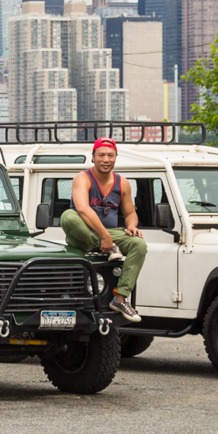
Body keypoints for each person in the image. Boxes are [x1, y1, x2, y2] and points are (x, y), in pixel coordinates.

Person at [60, 138, 147, 322]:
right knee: (68, 215)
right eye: (101, 155)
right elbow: (82, 209)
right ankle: (106, 245)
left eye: (110, 155)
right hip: (82, 235)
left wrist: (132, 226)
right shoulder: (82, 178)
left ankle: (121, 299)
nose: (106, 159)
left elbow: (130, 212)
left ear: (115, 158)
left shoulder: (122, 183)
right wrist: (105, 237)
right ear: (93, 157)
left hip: (111, 235)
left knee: (139, 244)